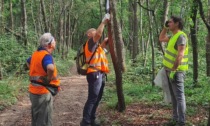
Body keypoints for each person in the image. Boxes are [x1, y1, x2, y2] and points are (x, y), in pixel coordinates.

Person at [80, 13, 110, 126]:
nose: (96, 33)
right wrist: (103, 22)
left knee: (97, 98)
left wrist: (106, 41)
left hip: (100, 74)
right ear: (89, 35)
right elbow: (98, 33)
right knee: (92, 98)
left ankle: (92, 119)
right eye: (93, 32)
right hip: (94, 74)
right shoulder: (90, 43)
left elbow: (101, 48)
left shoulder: (96, 46)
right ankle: (85, 122)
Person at [159, 16, 188, 126]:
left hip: (177, 72)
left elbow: (180, 55)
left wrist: (174, 70)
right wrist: (165, 27)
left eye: (170, 22)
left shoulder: (181, 37)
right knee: (174, 96)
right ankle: (175, 119)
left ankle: (181, 122)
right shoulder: (173, 36)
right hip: (169, 70)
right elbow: (161, 38)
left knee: (180, 97)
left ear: (177, 23)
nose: (168, 23)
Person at [26, 33, 60, 126]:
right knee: (44, 120)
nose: (55, 42)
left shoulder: (36, 54)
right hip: (42, 92)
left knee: (37, 117)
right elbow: (50, 68)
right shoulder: (46, 56)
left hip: (33, 91)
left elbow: (28, 62)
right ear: (49, 44)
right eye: (54, 41)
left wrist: (36, 70)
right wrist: (48, 78)